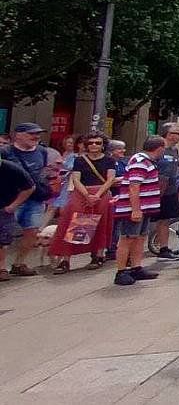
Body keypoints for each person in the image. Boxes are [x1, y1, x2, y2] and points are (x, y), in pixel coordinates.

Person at [49, 133, 115, 273]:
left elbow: (110, 179)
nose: (94, 145)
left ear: (103, 145)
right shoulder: (79, 160)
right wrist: (87, 195)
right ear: (86, 145)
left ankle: (98, 256)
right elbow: (76, 179)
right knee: (73, 225)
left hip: (101, 194)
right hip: (82, 193)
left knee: (100, 225)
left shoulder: (109, 160)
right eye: (91, 143)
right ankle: (65, 260)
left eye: (97, 143)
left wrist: (97, 195)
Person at [2, 122, 56, 276]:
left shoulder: (41, 151)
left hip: (35, 198)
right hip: (11, 198)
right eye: (31, 134)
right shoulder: (6, 152)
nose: (36, 137)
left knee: (32, 232)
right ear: (18, 135)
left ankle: (19, 263)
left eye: (38, 133)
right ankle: (1, 267)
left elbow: (42, 171)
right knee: (5, 234)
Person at [112, 136, 165, 286]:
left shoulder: (147, 161)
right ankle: (121, 271)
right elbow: (134, 186)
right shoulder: (140, 161)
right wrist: (135, 209)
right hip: (135, 208)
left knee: (140, 237)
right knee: (128, 238)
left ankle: (136, 267)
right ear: (159, 148)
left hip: (145, 207)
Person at [0, 153, 35, 282]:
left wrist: (13, 206)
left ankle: (2, 269)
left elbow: (30, 187)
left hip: (4, 206)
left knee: (2, 240)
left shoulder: (10, 168)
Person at [152, 123, 179, 260]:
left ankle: (163, 248)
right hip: (157, 190)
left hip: (170, 190)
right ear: (169, 134)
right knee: (150, 220)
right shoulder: (160, 149)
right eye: (178, 133)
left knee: (165, 219)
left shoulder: (174, 150)